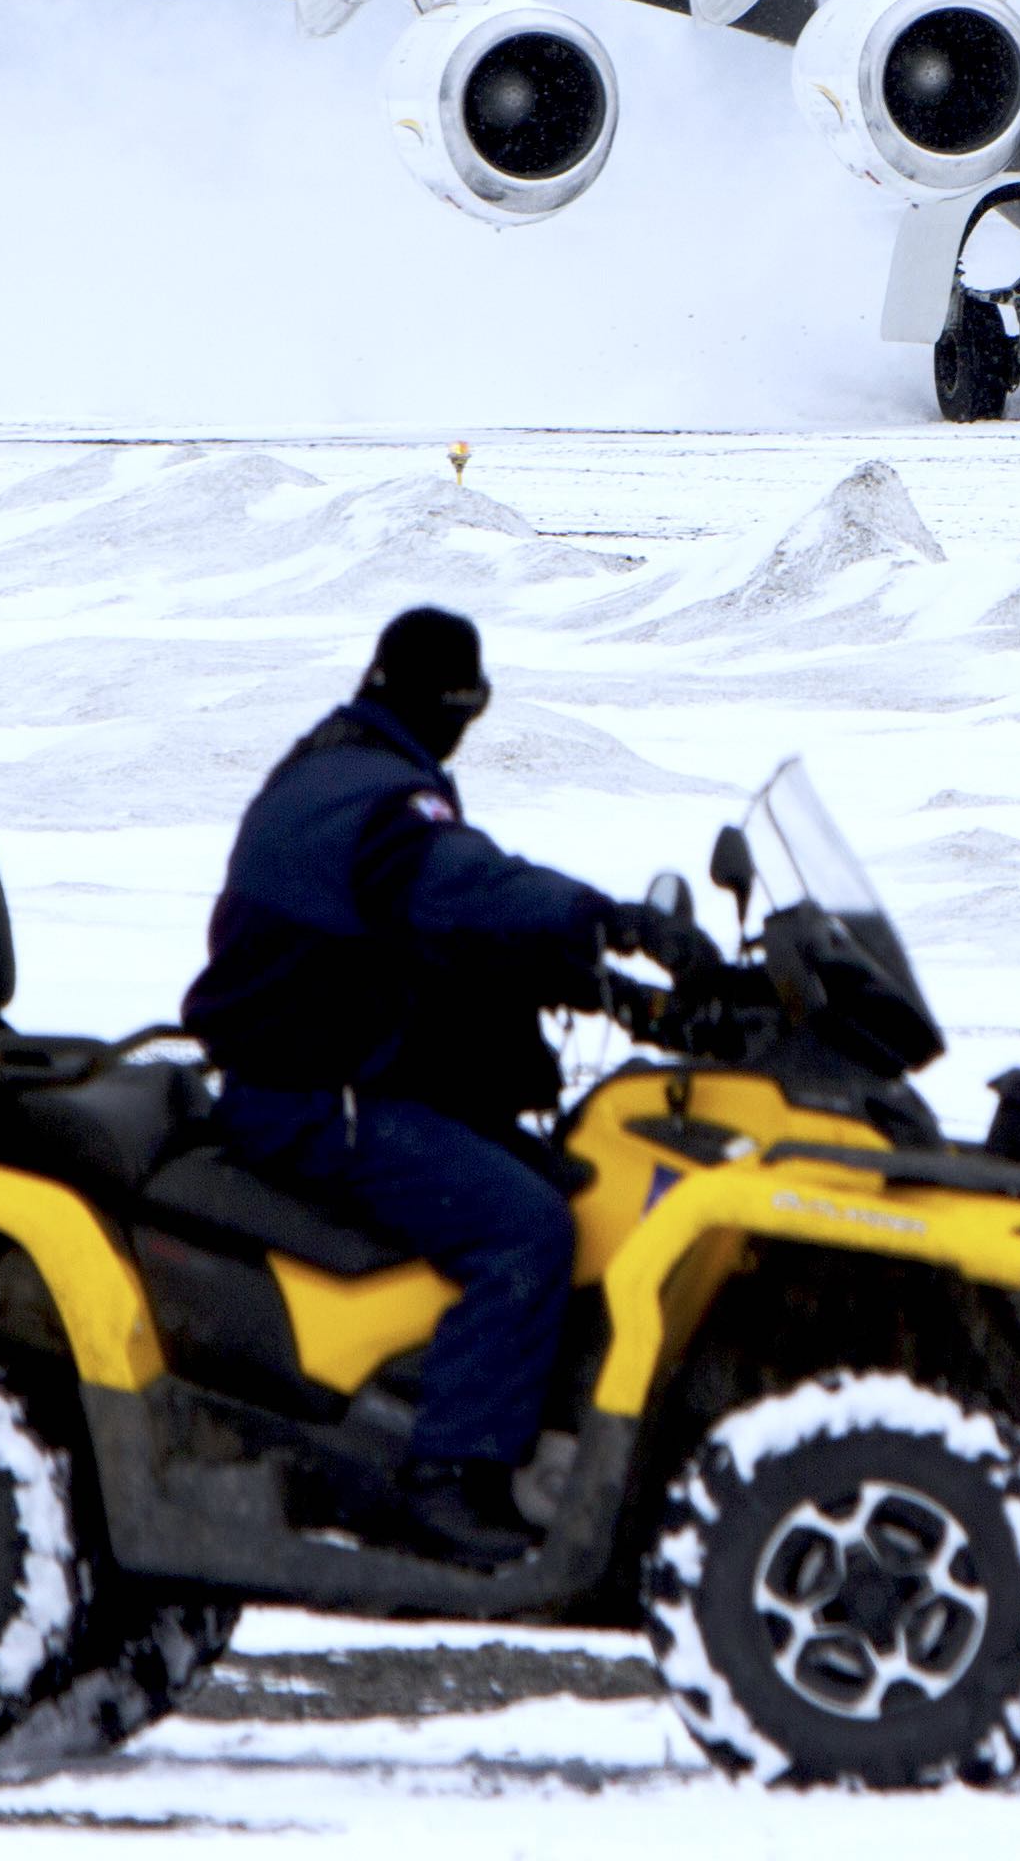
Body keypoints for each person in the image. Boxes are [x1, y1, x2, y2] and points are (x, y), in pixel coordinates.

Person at [182, 605, 700, 1567]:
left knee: (564, 1182)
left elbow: (434, 936)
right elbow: (461, 886)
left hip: (343, 1077)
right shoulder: (371, 799)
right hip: (311, 1097)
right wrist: (613, 921)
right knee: (524, 1229)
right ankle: (449, 1474)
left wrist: (606, 990)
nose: (467, 724)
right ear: (442, 704)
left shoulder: (357, 769)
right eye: (466, 707)